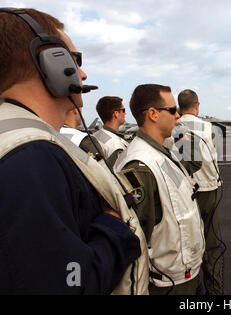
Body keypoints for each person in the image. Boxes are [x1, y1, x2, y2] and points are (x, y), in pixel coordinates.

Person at [0, 8, 149, 294]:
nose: (82, 73)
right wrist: (114, 230)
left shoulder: (21, 139)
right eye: (75, 60)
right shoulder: (31, 158)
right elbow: (67, 284)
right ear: (52, 64)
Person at [114, 84, 205, 295]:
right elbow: (135, 236)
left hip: (184, 272)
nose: (178, 116)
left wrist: (184, 135)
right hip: (167, 283)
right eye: (173, 110)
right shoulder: (140, 166)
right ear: (153, 114)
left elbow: (192, 167)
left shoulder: (162, 154)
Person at [177, 89, 224, 295]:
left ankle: (193, 290)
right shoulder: (208, 127)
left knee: (189, 245)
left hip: (185, 193)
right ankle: (215, 291)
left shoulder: (174, 127)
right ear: (197, 105)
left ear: (179, 107)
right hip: (209, 190)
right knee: (212, 245)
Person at [93, 96, 129, 165]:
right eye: (123, 110)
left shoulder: (94, 136)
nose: (125, 113)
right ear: (116, 114)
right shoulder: (116, 145)